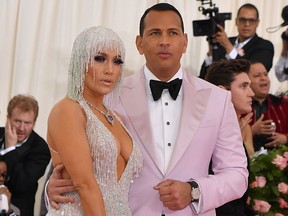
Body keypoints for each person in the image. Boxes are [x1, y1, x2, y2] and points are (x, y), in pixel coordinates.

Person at [47, 3, 248, 216]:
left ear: (185, 42)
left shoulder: (218, 99)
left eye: (172, 33)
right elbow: (73, 167)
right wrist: (53, 189)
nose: (164, 41)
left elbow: (237, 174)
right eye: (155, 33)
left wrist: (194, 191)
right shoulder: (108, 95)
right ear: (139, 43)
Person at [45, 26, 143, 215]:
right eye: (100, 58)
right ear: (80, 61)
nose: (109, 70)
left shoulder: (117, 118)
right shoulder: (68, 109)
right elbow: (85, 185)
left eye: (117, 61)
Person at [205, 59, 255, 216]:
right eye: (243, 86)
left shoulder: (239, 128)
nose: (251, 93)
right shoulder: (208, 134)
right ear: (222, 91)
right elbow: (221, 201)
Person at [0, 94, 51, 216]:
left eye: (27, 123)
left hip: (17, 211)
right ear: (8, 118)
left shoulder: (40, 149)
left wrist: (10, 149)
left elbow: (22, 184)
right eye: (17, 121)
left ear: (34, 123)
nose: (21, 128)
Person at [199, 3, 274, 79]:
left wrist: (228, 47)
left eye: (251, 20)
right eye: (242, 20)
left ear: (257, 23)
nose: (247, 24)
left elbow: (251, 72)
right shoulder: (223, 42)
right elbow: (204, 77)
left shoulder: (265, 46)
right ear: (236, 21)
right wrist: (211, 53)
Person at [248, 61, 288, 151]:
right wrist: (251, 131)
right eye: (257, 75)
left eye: (266, 74)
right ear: (247, 81)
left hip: (280, 160)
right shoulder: (239, 107)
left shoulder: (283, 104)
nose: (263, 78)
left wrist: (285, 138)